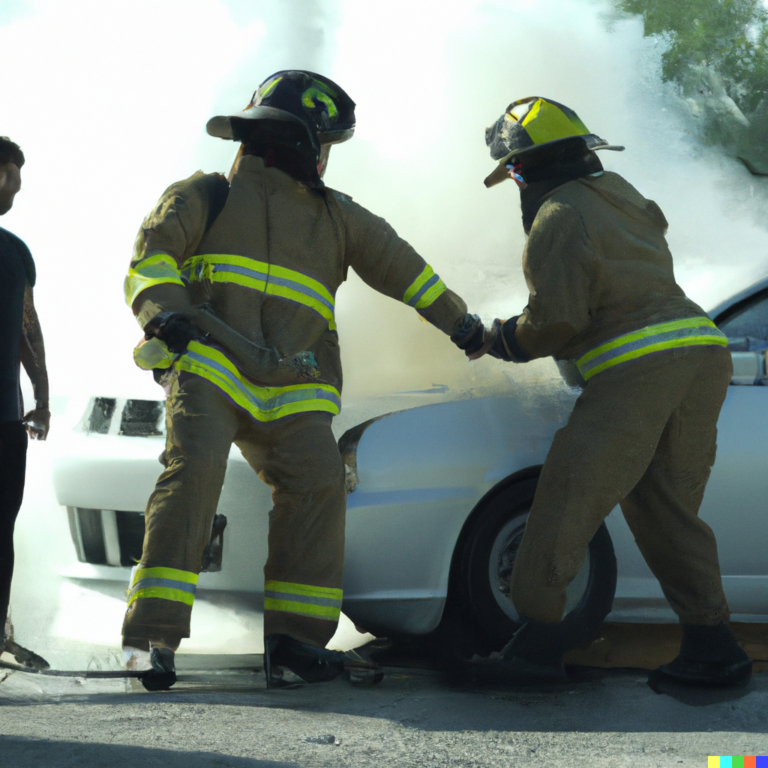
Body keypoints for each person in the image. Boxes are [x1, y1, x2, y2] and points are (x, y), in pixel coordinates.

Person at [122, 71, 482, 690]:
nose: (324, 158)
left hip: (296, 385)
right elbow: (151, 259)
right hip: (213, 366)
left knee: (318, 484)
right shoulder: (206, 195)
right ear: (295, 140)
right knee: (194, 476)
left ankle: (293, 644)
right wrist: (167, 314)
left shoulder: (337, 217)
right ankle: (153, 636)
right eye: (322, 143)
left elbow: (404, 268)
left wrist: (463, 324)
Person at [463, 96, 752, 687]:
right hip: (703, 354)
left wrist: (500, 339)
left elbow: (559, 321)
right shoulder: (623, 196)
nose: (516, 184)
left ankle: (536, 647)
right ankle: (714, 647)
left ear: (528, 168)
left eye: (514, 172)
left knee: (570, 488)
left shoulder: (556, 217)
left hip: (640, 369)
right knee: (664, 506)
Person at [0, 137, 50, 666]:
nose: (17, 185)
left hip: (6, 420)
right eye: (12, 173)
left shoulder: (14, 251)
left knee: (1, 531)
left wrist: (43, 397)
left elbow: (26, 329)